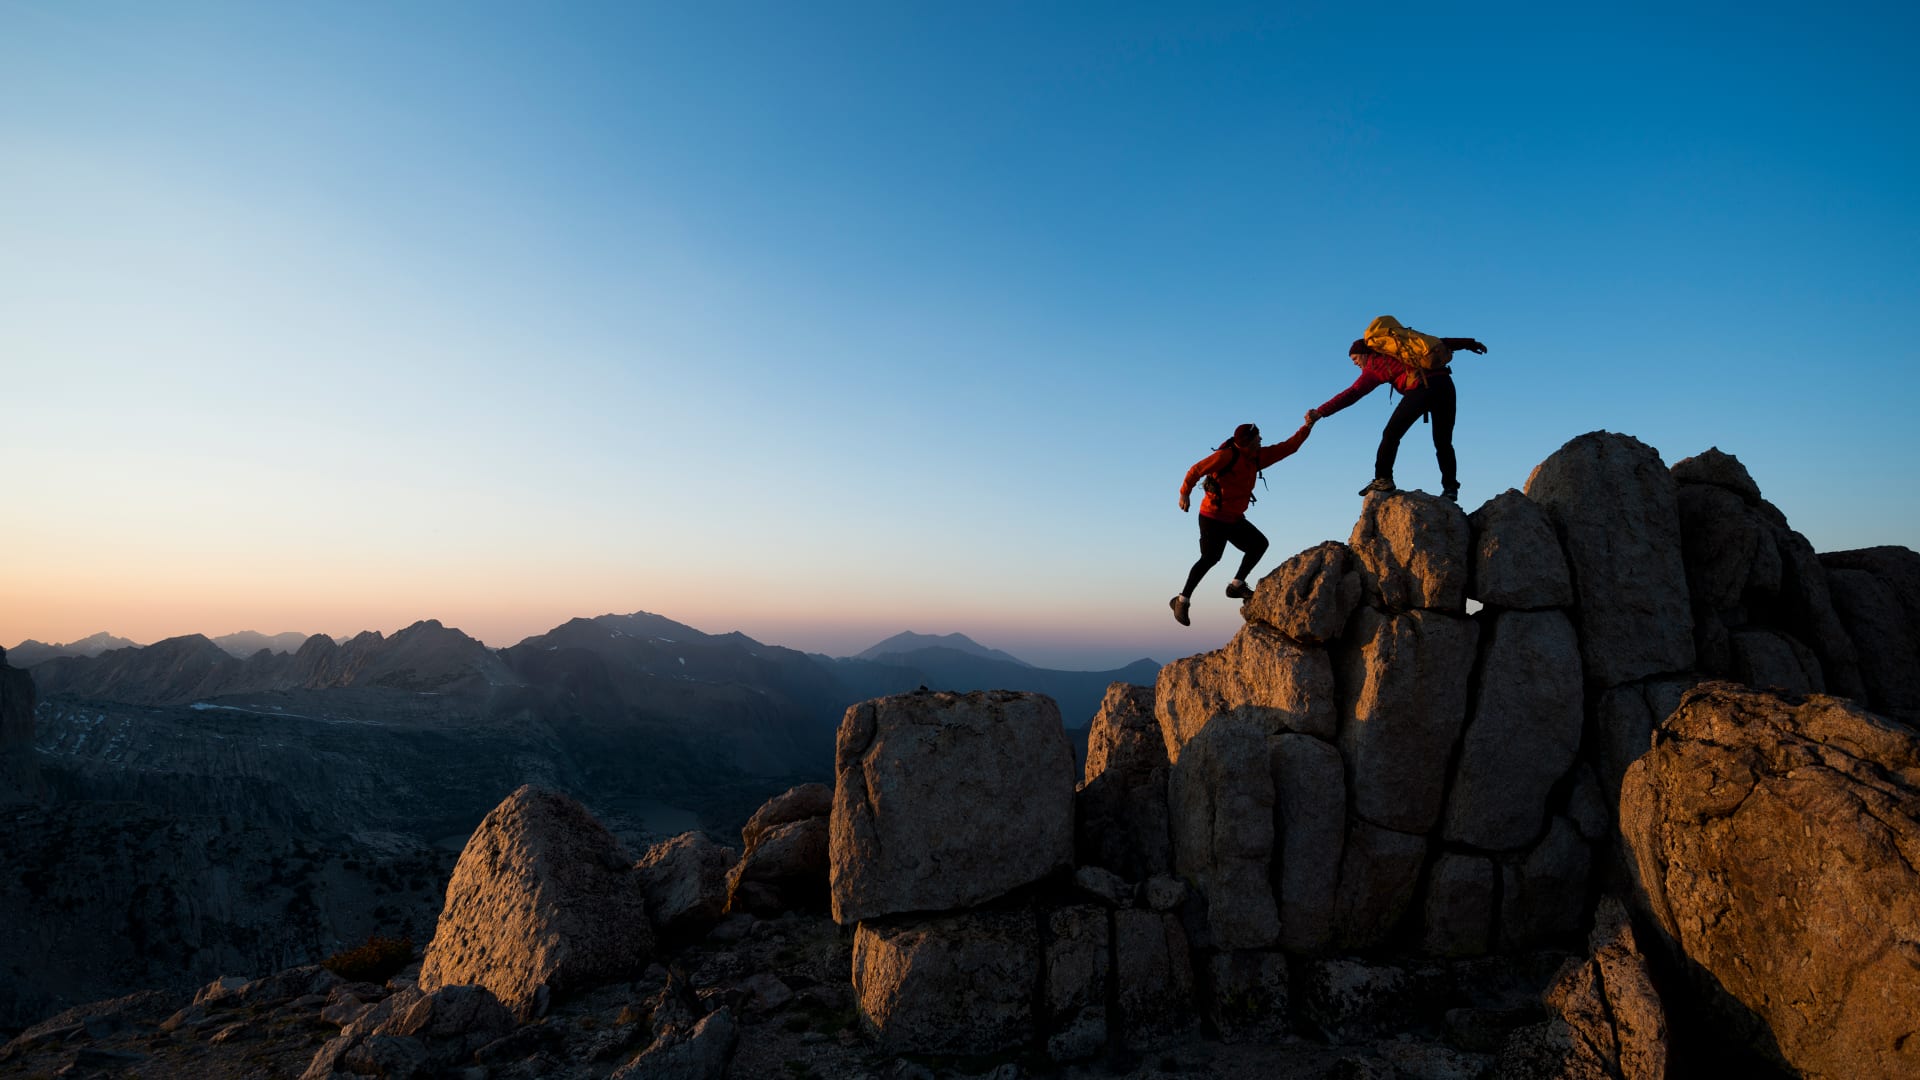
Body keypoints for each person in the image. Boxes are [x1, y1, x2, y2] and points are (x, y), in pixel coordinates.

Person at [1307, 326, 1487, 501]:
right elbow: (1441, 343)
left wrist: (1321, 411)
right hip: (1445, 386)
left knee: (1391, 434)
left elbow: (1353, 393)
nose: (1355, 363)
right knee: (1443, 441)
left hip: (1421, 389)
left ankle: (1383, 479)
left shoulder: (1375, 365)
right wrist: (1471, 344)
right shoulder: (1402, 349)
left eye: (1354, 358)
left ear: (1365, 354)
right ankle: (1450, 488)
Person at [1170, 414, 1317, 626]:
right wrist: (1184, 493)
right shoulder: (1226, 457)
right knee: (1211, 558)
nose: (1261, 440)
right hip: (1212, 517)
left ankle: (1236, 586)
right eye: (1258, 438)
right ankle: (1181, 601)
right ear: (1247, 442)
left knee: (1259, 544)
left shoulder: (1257, 457)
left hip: (1233, 518)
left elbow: (1288, 447)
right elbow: (1195, 470)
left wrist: (1307, 427)